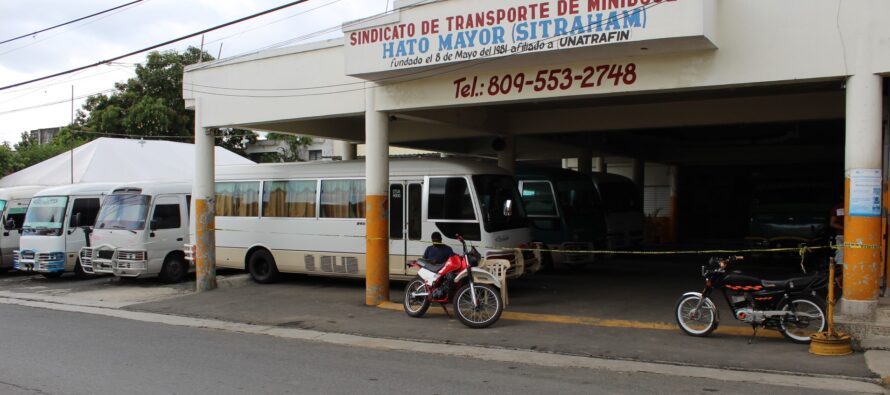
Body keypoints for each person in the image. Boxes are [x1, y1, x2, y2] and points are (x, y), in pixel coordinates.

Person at [830, 199, 844, 265]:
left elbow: (832, 223)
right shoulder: (856, 207)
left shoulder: (836, 208)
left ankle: (843, 274)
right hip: (844, 236)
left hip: (841, 235)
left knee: (841, 256)